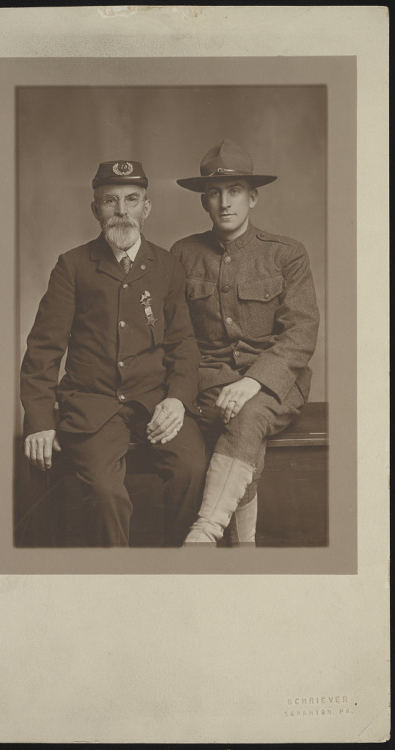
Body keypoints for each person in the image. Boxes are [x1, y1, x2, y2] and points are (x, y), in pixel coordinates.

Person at [21, 159, 207, 547]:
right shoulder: (72, 266)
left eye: (132, 199)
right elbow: (43, 350)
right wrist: (39, 419)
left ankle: (181, 578)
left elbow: (183, 345)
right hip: (93, 407)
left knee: (192, 468)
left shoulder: (168, 266)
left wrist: (176, 400)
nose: (122, 211)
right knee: (106, 495)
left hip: (155, 402)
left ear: (147, 207)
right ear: (96, 209)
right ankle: (116, 584)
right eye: (110, 201)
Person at [171, 139, 320, 546]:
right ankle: (245, 548)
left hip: (276, 383)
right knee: (242, 421)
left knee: (248, 413)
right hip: (210, 382)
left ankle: (205, 531)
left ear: (252, 198)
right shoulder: (183, 254)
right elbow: (178, 337)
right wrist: (214, 382)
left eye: (235, 191)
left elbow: (300, 332)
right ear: (204, 201)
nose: (225, 202)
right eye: (215, 193)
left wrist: (254, 380)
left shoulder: (286, 254)